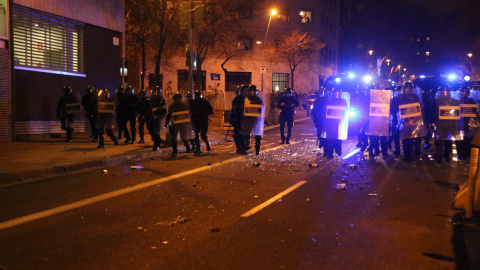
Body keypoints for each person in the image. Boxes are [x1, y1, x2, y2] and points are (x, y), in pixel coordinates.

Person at [397, 83, 426, 162]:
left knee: (413, 139)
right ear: (404, 89)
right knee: (406, 139)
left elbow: (420, 108)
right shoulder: (400, 97)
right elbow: (397, 107)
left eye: (410, 88)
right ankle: (407, 156)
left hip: (414, 121)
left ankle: (412, 155)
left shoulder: (415, 97)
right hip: (405, 122)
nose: (408, 89)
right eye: (407, 88)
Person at [434, 86, 462, 162]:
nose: (445, 92)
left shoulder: (455, 102)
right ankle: (439, 156)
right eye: (443, 90)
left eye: (446, 90)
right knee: (439, 140)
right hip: (440, 123)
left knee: (448, 141)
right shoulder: (437, 101)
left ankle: (446, 155)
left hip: (450, 123)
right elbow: (433, 112)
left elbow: (458, 112)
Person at [165, 92, 195, 157]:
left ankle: (179, 151)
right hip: (179, 124)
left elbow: (187, 115)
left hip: (179, 124)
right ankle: (183, 149)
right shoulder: (182, 105)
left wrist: (166, 123)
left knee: (180, 137)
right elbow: (170, 115)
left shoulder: (175, 105)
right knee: (179, 138)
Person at [322, 88, 348, 159]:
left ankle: (338, 150)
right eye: (335, 93)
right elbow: (325, 111)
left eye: (337, 93)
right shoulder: (329, 101)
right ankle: (330, 153)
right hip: (330, 122)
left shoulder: (342, 101)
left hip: (339, 122)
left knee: (338, 137)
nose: (336, 94)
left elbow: (345, 110)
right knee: (330, 138)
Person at [240, 85, 264, 155]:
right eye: (251, 91)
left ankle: (257, 149)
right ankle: (246, 148)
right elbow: (242, 108)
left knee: (258, 135)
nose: (252, 93)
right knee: (247, 134)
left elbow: (262, 108)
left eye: (254, 91)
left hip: (257, 119)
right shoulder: (246, 99)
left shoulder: (259, 99)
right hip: (248, 119)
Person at [457, 87, 478, 159]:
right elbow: (474, 110)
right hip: (467, 121)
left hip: (461, 122)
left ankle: (461, 154)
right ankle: (466, 154)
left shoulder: (458, 100)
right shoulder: (471, 100)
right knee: (467, 138)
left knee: (461, 139)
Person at [191, 90, 215, 154]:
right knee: (197, 135)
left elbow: (212, 111)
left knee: (201, 135)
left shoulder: (204, 102)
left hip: (203, 120)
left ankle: (206, 144)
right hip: (197, 120)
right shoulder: (194, 102)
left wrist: (204, 113)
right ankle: (198, 148)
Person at [146, 86, 167, 151]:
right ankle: (159, 140)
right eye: (154, 91)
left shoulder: (161, 99)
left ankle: (156, 145)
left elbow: (164, 108)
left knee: (156, 130)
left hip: (158, 117)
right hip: (151, 117)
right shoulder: (150, 99)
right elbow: (147, 108)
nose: (155, 93)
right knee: (150, 129)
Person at [231, 85, 248, 153]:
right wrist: (232, 118)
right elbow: (234, 109)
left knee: (245, 134)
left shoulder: (249, 99)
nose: (245, 92)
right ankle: (239, 147)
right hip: (238, 119)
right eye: (244, 91)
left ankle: (244, 147)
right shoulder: (237, 99)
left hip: (246, 120)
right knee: (236, 134)